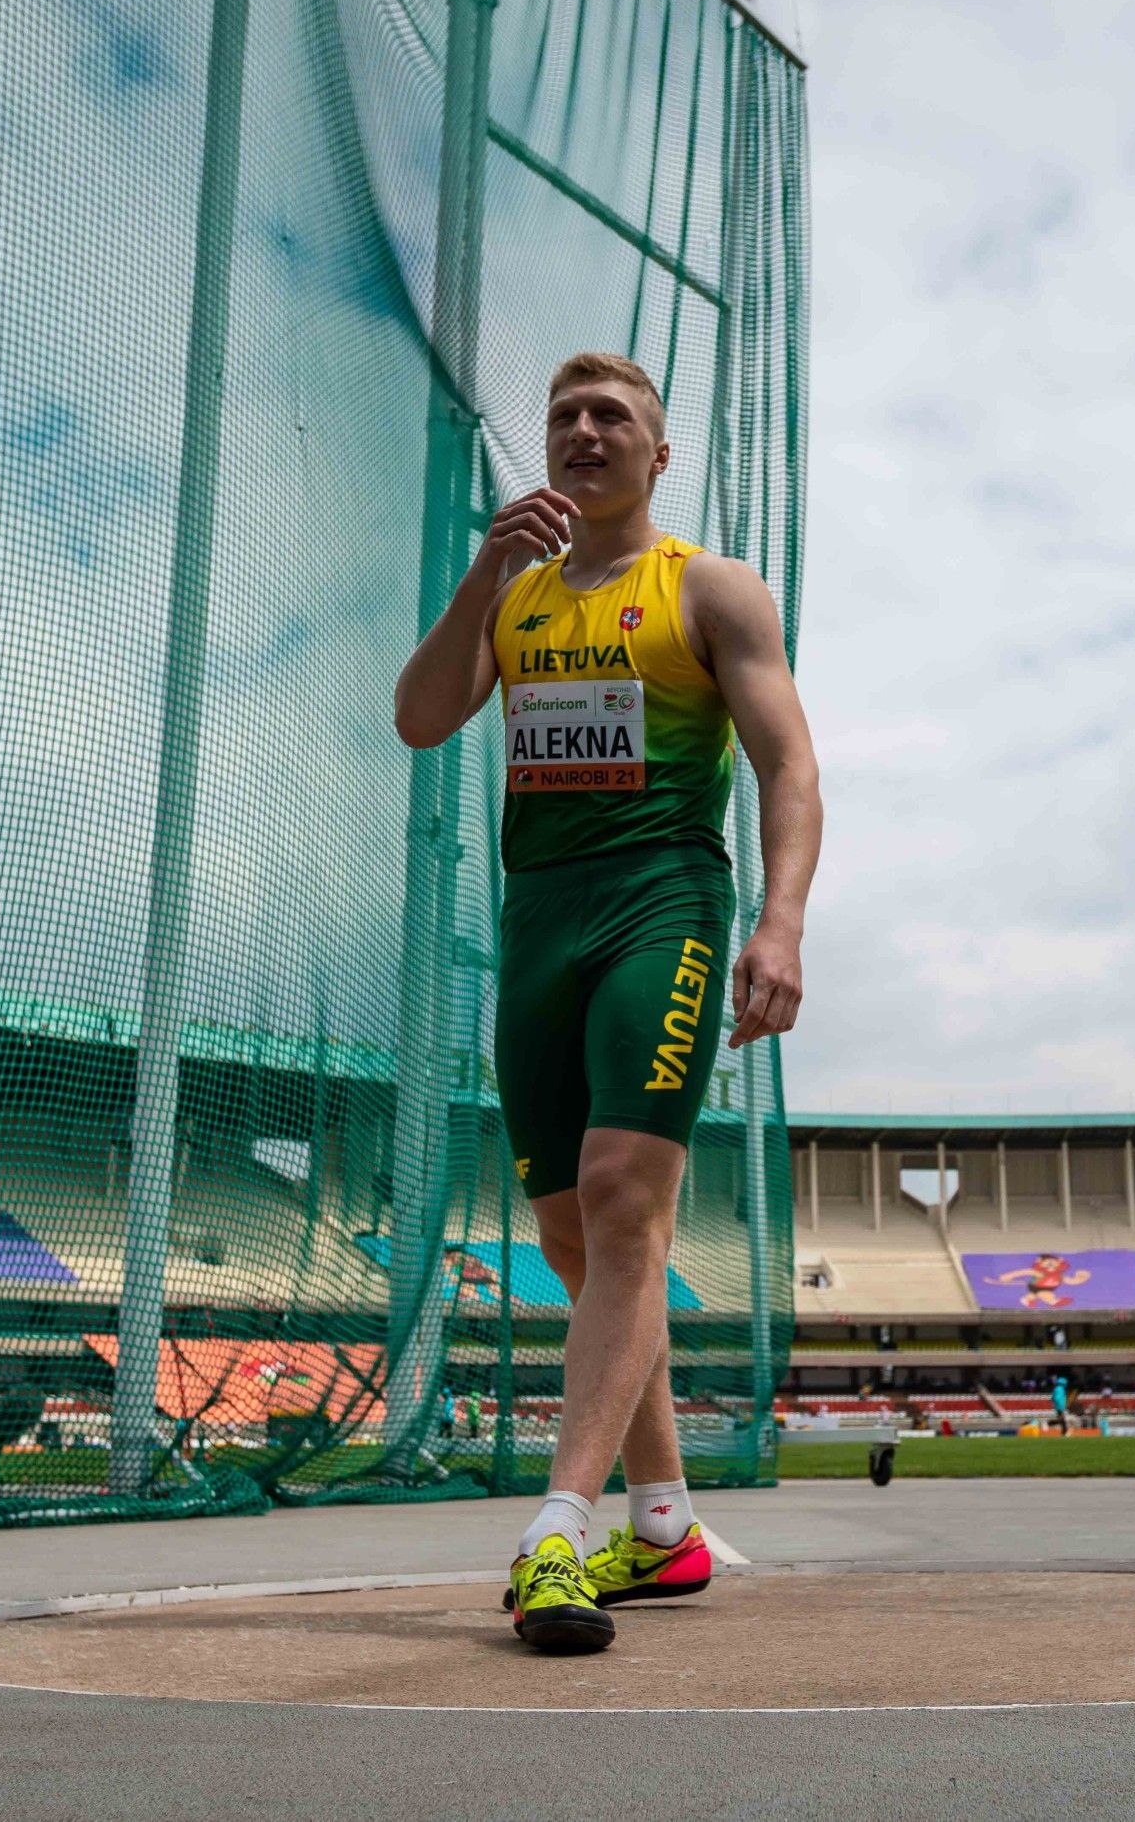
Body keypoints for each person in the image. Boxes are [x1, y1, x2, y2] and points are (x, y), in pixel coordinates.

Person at [395, 351, 822, 1654]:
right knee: (578, 1240)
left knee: (630, 1199)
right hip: (540, 922)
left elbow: (790, 761)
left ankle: (557, 1532)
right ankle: (665, 1519)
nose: (585, 431)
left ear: (655, 454)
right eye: (566, 417)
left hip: (661, 902)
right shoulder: (515, 598)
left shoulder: (707, 587)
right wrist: (480, 574)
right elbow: (420, 719)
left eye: (613, 417)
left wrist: (781, 920)